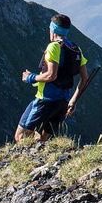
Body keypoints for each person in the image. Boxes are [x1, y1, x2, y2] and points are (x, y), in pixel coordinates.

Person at [16, 14, 89, 143]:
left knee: (21, 137)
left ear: (53, 30)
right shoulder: (76, 49)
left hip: (45, 100)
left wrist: (30, 78)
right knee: (42, 140)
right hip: (63, 102)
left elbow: (51, 75)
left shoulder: (54, 47)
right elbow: (85, 78)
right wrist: (73, 101)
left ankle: (28, 162)